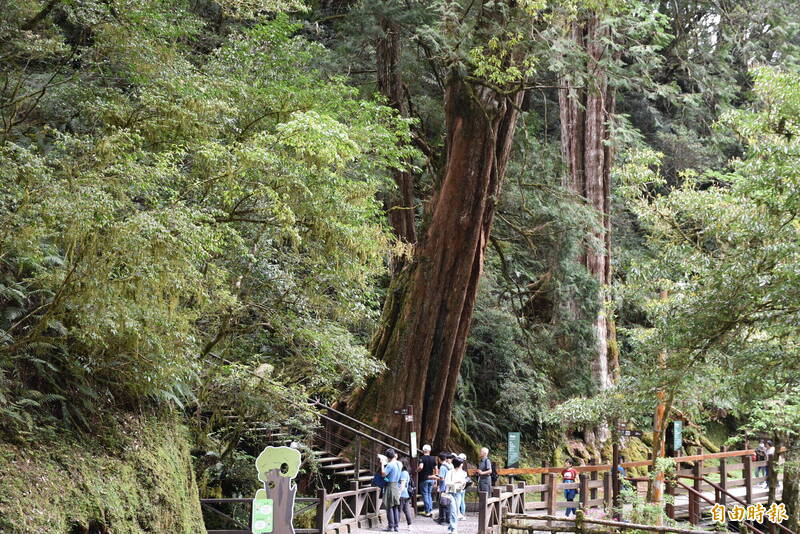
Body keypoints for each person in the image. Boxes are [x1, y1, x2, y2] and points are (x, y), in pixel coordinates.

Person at [444, 456, 468, 534]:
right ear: (458, 464)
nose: (462, 465)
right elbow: (446, 483)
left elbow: (464, 483)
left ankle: (450, 528)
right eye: (461, 463)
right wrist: (456, 482)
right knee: (454, 511)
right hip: (451, 493)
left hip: (458, 493)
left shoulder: (462, 473)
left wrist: (463, 484)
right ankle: (454, 528)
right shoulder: (450, 472)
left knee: (456, 511)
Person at [382, 449, 402, 532]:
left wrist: (382, 464)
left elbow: (383, 474)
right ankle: (396, 526)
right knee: (395, 507)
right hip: (396, 485)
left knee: (389, 506)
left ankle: (390, 526)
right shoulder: (399, 463)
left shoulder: (390, 465)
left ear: (387, 457)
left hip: (390, 486)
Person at [417, 444, 437, 517]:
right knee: (429, 494)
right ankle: (430, 510)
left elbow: (421, 467)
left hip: (424, 479)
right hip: (431, 478)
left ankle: (427, 510)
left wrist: (416, 471)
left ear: (423, 451)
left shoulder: (422, 458)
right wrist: (435, 477)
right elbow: (436, 468)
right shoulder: (433, 458)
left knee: (425, 494)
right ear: (430, 451)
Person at [399, 458, 415, 530]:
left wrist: (399, 493)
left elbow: (402, 485)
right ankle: (410, 525)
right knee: (407, 510)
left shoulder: (403, 473)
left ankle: (395, 524)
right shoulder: (407, 472)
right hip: (406, 495)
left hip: (402, 494)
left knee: (399, 510)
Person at [436, 453, 451, 525]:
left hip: (443, 487)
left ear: (439, 459)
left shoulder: (442, 467)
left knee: (442, 504)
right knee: (448, 503)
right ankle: (448, 519)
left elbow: (441, 478)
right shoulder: (449, 465)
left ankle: (442, 519)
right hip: (449, 486)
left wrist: (433, 477)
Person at [457, 453, 468, 519]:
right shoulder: (465, 466)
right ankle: (462, 514)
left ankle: (459, 513)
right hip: (464, 486)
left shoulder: (460, 466)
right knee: (462, 500)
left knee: (459, 499)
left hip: (459, 486)